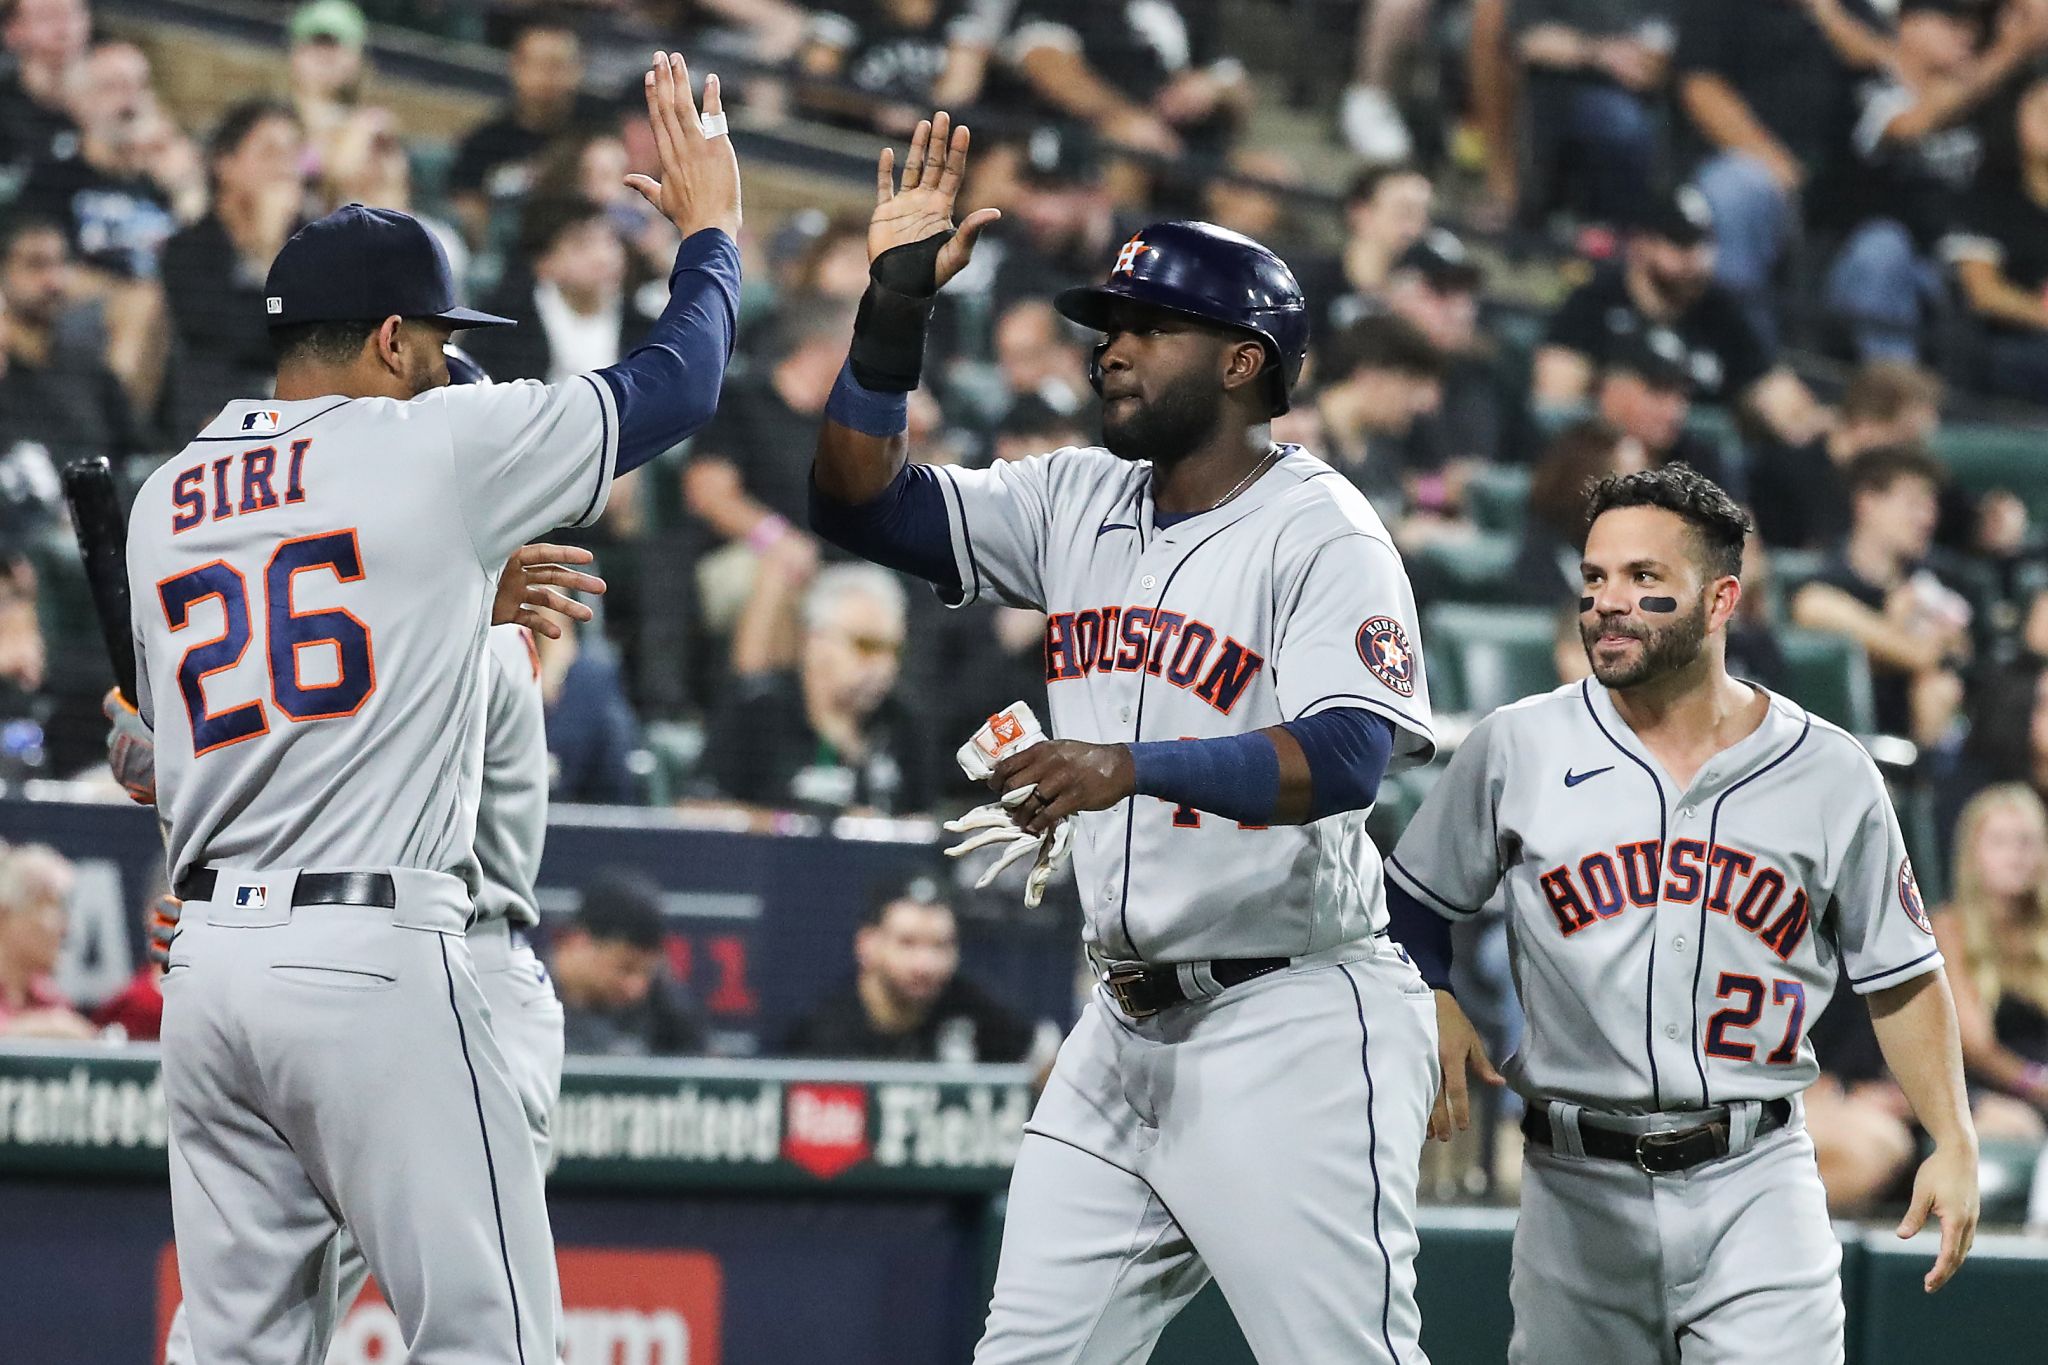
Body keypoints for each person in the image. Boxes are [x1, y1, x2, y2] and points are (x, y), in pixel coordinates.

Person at [127, 52, 738, 1364]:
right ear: (396, 339)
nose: (446, 369)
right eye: (439, 347)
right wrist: (711, 235)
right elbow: (680, 384)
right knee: (489, 1338)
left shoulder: (163, 498)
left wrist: (450, 578)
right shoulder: (426, 443)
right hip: (368, 956)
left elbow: (179, 745)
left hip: (210, 974)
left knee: (231, 1349)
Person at [811, 113, 1441, 1360]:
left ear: (1243, 363)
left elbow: (1346, 763)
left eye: (1149, 328)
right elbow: (857, 501)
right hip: (1120, 1029)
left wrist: (1124, 767)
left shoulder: (1324, 531)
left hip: (1292, 1016)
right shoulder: (1071, 496)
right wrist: (892, 312)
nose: (1113, 348)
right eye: (1108, 326)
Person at [1387, 463, 1979, 1361]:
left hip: (1758, 1177)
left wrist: (1955, 1136)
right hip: (1573, 1185)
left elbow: (1901, 973)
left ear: (1720, 600)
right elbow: (1409, 902)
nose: (1607, 603)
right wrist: (1431, 992)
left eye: (1642, 579)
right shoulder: (1521, 744)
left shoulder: (1829, 769)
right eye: (1594, 578)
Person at [1822, 0, 2044, 364]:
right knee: (1884, 248)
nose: (1968, 33)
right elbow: (1912, 126)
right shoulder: (1867, 82)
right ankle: (1893, 388)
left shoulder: (1985, 98)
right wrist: (2010, 50)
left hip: (1954, 272)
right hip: (1870, 266)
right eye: (1952, 19)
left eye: (1972, 22)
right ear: (1908, 23)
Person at [1533, 183, 1825, 448]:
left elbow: (1782, 400)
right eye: (1681, 243)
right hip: (1609, 461)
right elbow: (1556, 406)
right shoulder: (1594, 302)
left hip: (1697, 469)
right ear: (1642, 243)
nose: (1696, 259)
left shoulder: (1720, 312)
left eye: (1704, 242)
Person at [1673, 0, 1880, 343]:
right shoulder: (1720, 8)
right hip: (1746, 173)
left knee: (1884, 246)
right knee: (1739, 188)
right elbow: (1701, 88)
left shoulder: (1850, 9)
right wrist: (1773, 162)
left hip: (1838, 195)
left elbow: (1885, 63)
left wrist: (1826, 12)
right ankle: (1743, 351)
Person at [706, 560, 933, 815]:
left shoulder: (903, 723)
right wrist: (807, 828)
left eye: (895, 650)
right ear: (816, 642)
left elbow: (923, 824)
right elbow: (697, 811)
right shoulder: (758, 712)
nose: (885, 666)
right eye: (867, 646)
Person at [1790, 445, 1970, 746]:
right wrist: (1900, 628)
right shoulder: (1825, 588)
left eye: (1931, 505)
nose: (1927, 518)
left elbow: (1960, 651)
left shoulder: (1932, 581)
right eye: (1913, 503)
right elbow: (1925, 653)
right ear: (1867, 502)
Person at [160, 100, 308, 437]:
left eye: (293, 154)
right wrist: (267, 251)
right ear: (225, 164)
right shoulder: (189, 248)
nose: (286, 168)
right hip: (219, 402)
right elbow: (229, 340)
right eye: (270, 152)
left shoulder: (315, 242)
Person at [783, 872, 1037, 1062]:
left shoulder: (970, 1009)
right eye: (907, 943)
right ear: (867, 945)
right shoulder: (825, 1037)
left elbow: (1044, 1058)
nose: (925, 965)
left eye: (940, 945)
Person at [1934, 784, 2048, 1119]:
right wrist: (2036, 1083)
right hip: (1989, 1092)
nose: (2015, 854)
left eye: (2026, 842)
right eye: (1999, 842)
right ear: (1973, 854)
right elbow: (1975, 1047)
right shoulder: (1949, 929)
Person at [1511, 0, 1673, 231]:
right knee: (1623, 122)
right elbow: (1528, 40)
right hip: (1575, 90)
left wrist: (1656, 66)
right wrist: (1600, 53)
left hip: (1658, 99)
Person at [1749, 360, 1943, 551]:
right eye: (1907, 438)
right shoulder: (1782, 473)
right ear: (1866, 424)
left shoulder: (1909, 484)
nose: (1910, 454)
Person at [449, 14, 603, 250]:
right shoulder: (483, 142)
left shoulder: (596, 135)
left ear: (579, 68)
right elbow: (469, 220)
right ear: (515, 66)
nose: (546, 77)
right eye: (537, 64)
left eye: (557, 65)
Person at [467, 195, 657, 383]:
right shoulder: (501, 328)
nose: (604, 258)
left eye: (610, 241)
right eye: (582, 245)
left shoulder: (646, 328)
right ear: (543, 263)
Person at [0, 215, 139, 464]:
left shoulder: (88, 367)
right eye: (35, 264)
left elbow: (142, 453)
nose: (53, 282)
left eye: (60, 263)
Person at [1944, 73, 2048, 398]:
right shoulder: (1987, 198)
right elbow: (1983, 291)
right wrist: (2040, 313)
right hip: (2015, 344)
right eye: (2045, 110)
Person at [546, 871, 706, 1057]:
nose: (636, 987)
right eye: (625, 968)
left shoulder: (670, 1011)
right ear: (578, 941)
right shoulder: (524, 995)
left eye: (648, 971)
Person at [0, 842, 93, 1039]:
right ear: (5, 914)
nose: (66, 929)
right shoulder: (54, 1021)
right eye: (51, 905)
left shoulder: (53, 1003)